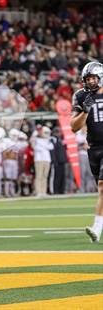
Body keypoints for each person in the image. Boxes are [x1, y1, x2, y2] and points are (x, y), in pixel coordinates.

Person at [70, 61, 103, 242]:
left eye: (93, 78)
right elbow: (73, 127)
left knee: (102, 187)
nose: (90, 82)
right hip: (94, 148)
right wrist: (85, 110)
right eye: (88, 79)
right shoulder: (81, 96)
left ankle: (97, 228)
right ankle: (98, 228)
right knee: (101, 191)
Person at [31, 126, 54, 197]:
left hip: (47, 159)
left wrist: (44, 146)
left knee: (45, 176)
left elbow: (51, 147)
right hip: (39, 159)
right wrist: (45, 146)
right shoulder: (35, 139)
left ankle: (44, 192)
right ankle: (38, 192)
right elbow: (36, 148)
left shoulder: (47, 139)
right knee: (39, 176)